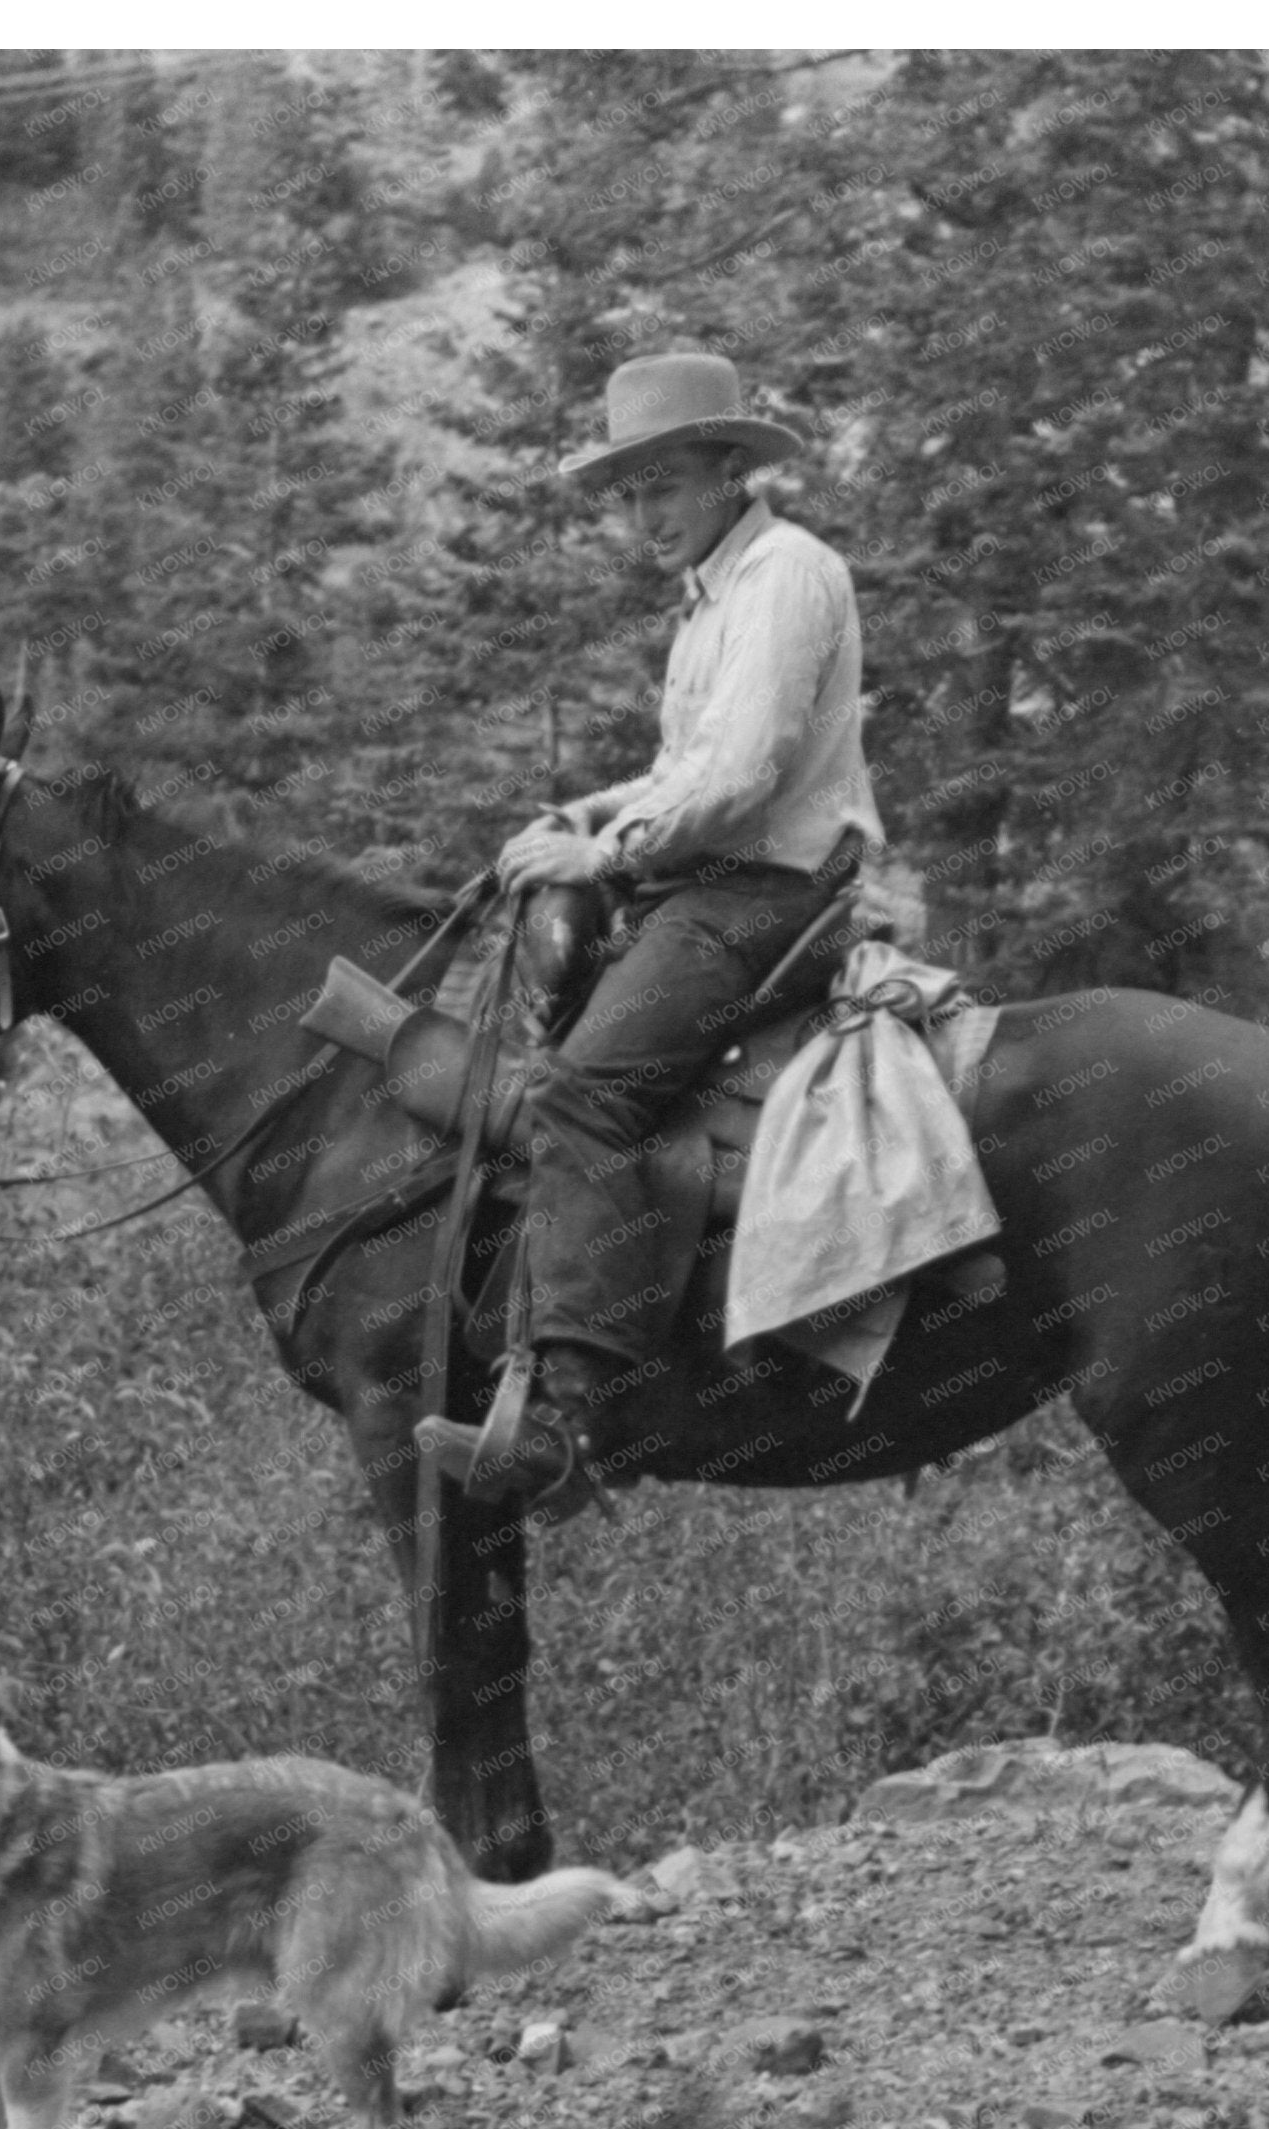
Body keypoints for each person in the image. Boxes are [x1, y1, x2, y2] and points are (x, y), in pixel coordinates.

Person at [413, 352, 884, 1515]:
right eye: (629, 493)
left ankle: (570, 1424)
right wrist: (598, 808)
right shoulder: (717, 595)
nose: (643, 514)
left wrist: (604, 855)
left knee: (582, 1089)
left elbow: (740, 775)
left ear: (731, 468)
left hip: (766, 894)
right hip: (714, 880)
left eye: (663, 483)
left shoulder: (784, 577)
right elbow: (684, 768)